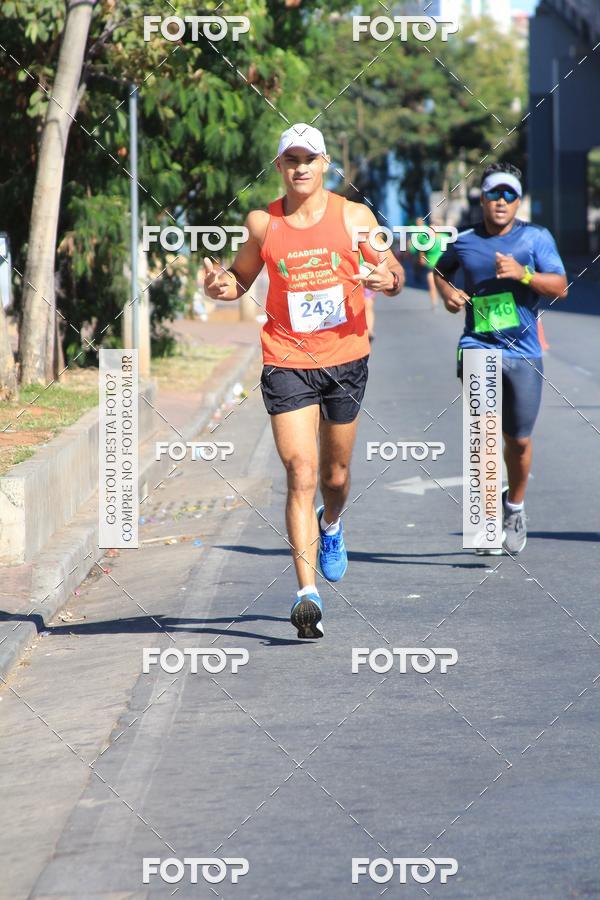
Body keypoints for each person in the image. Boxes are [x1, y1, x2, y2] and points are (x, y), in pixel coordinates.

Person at [203, 123, 405, 636]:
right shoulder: (263, 223)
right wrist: (218, 286)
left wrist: (389, 277)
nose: (300, 167)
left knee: (334, 479)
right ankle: (306, 594)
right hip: (287, 361)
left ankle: (331, 524)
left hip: (345, 358)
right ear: (279, 167)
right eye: (291, 159)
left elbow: (393, 272)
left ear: (323, 164)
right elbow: (240, 278)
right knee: (301, 472)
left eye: (309, 159)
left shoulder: (355, 217)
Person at [434, 162, 568, 555]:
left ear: (518, 200)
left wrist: (523, 275)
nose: (501, 201)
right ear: (483, 198)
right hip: (478, 344)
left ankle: (515, 506)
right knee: (484, 436)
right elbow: (440, 273)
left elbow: (560, 287)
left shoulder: (536, 239)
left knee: (519, 441)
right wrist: (447, 294)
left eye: (510, 194)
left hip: (524, 353)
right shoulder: (465, 241)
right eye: (495, 193)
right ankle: (486, 526)